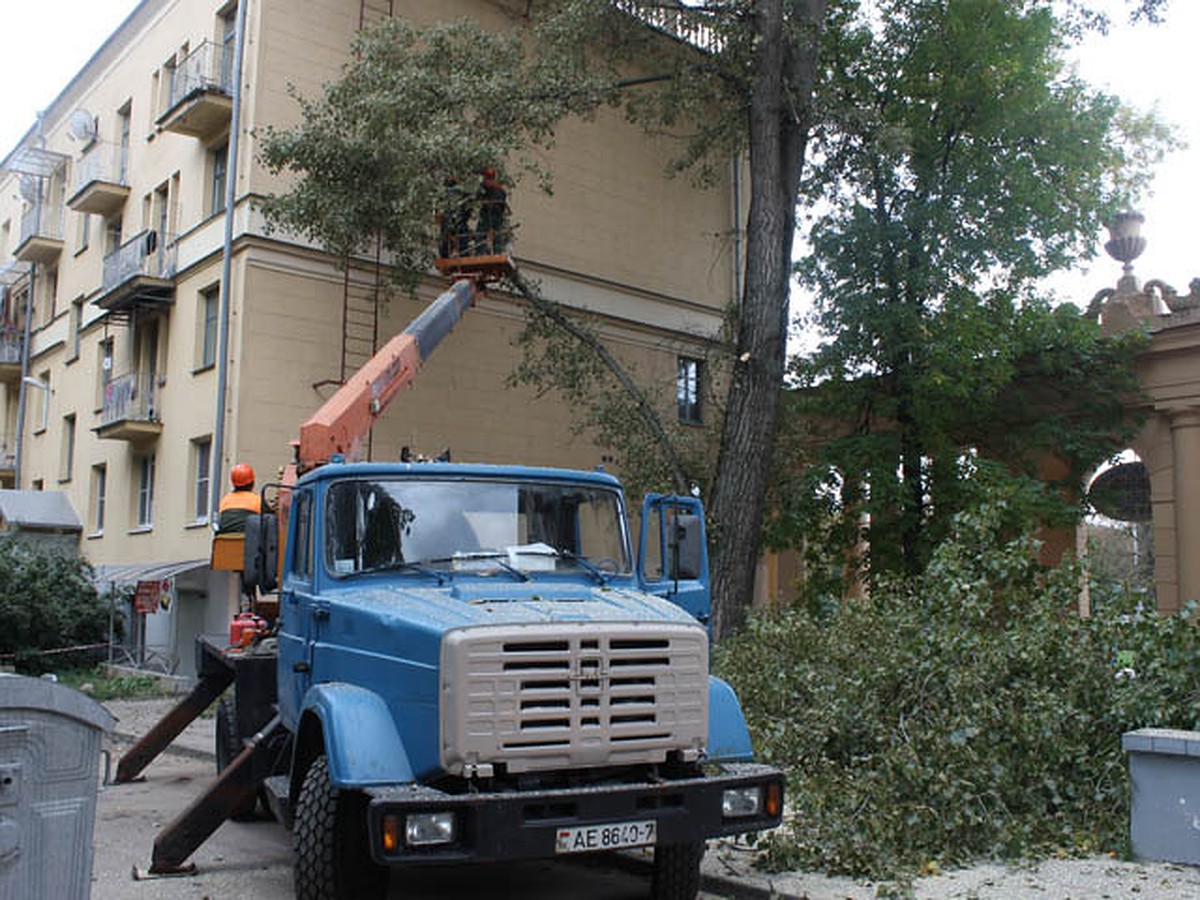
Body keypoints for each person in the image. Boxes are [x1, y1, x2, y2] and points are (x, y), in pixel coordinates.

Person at [217, 463, 262, 533]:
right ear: (252, 482)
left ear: (233, 483)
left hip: (225, 540)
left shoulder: (225, 500)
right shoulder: (258, 500)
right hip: (249, 540)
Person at [477, 167, 508, 253]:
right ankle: (479, 253)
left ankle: (497, 252)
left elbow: (502, 207)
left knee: (496, 236)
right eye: (485, 179)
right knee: (480, 235)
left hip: (496, 215)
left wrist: (491, 204)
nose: (486, 181)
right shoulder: (482, 189)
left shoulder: (499, 191)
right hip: (485, 214)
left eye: (488, 179)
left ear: (492, 180)